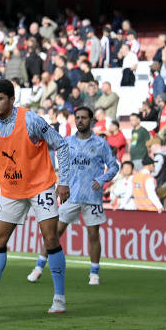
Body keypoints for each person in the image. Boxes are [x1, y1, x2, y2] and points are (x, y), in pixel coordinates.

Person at [0, 79, 71, 314]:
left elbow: (61, 145)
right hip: (11, 189)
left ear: (12, 99)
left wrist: (64, 181)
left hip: (40, 186)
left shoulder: (30, 120)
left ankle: (59, 298)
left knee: (50, 238)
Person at [28, 107, 118, 286]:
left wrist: (102, 179)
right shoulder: (66, 142)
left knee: (93, 235)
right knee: (54, 232)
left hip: (92, 197)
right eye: (77, 118)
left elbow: (114, 166)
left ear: (91, 120)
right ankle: (38, 267)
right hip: (70, 195)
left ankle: (94, 273)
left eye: (84, 117)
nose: (80, 121)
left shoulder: (101, 144)